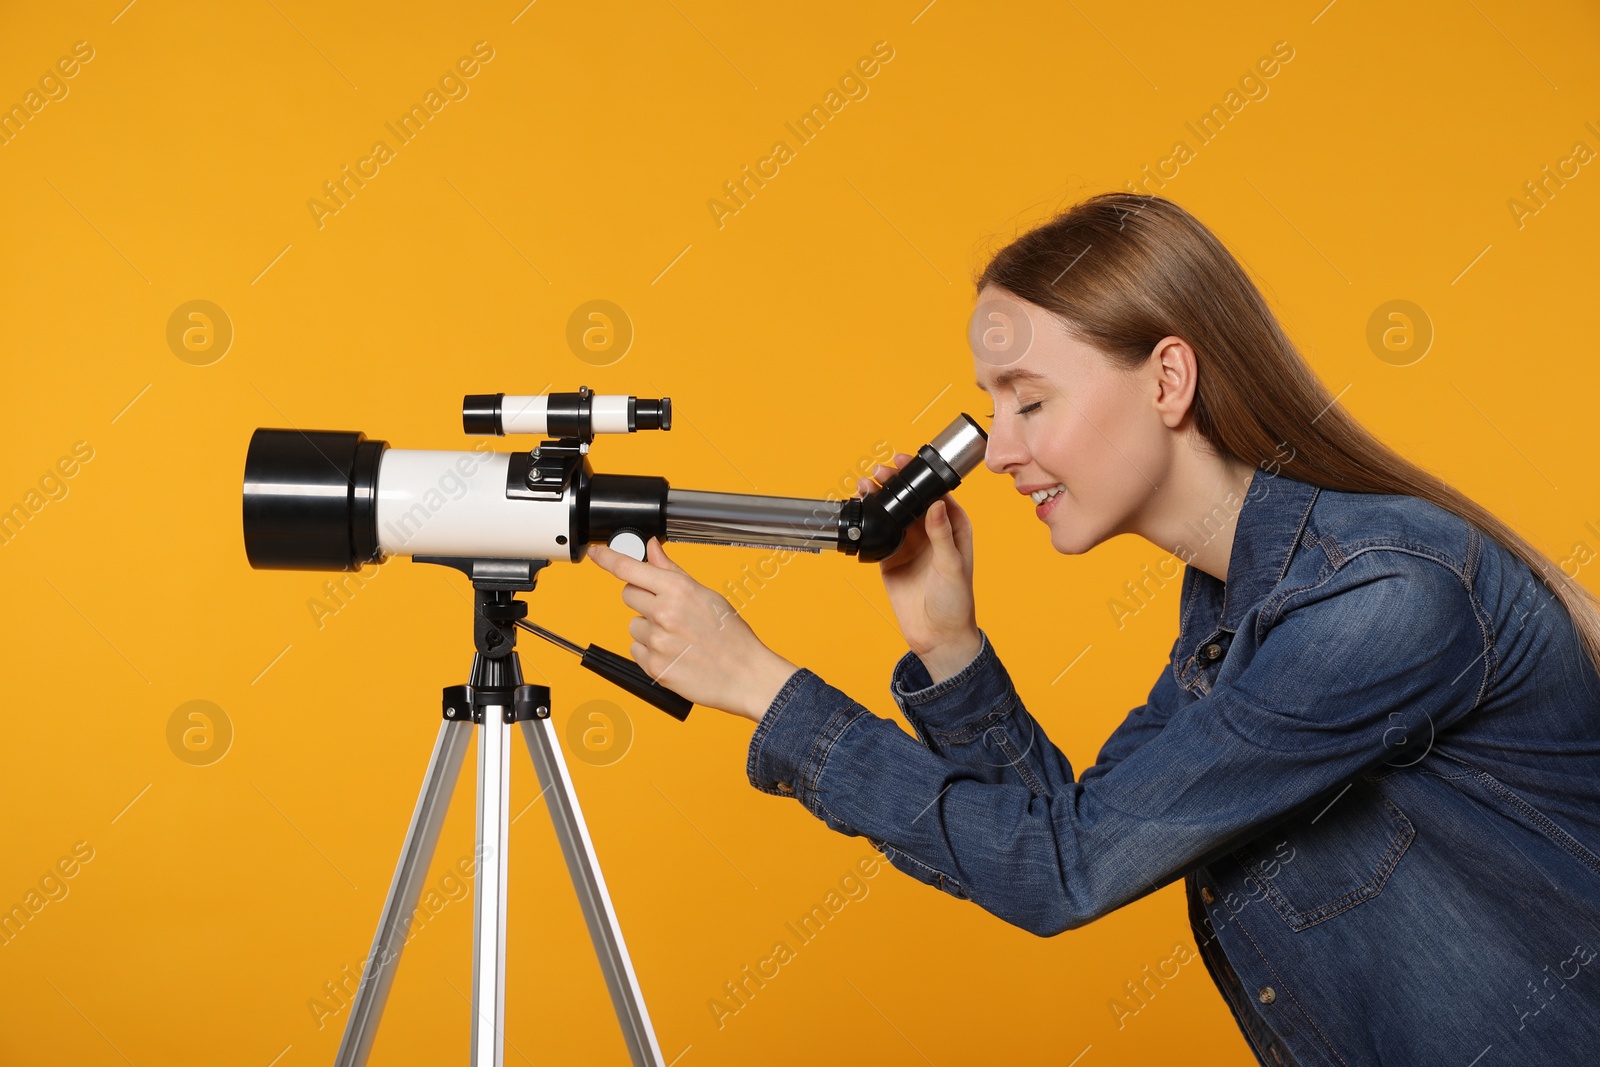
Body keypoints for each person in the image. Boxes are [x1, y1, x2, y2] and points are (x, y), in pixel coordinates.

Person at [587, 192, 1600, 1066]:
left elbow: (1062, 868)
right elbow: (1058, 833)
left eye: (1029, 401)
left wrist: (766, 689)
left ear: (1167, 379)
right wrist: (949, 646)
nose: (1000, 450)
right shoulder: (1235, 604)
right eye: (992, 408)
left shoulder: (1379, 598)